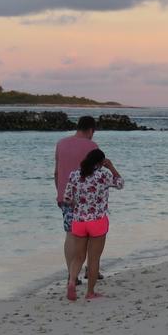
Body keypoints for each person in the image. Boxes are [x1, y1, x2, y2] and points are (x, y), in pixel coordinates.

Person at [55, 116, 119, 280]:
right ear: (91, 130)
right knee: (93, 236)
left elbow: (56, 172)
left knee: (70, 234)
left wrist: (60, 193)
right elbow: (96, 172)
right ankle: (92, 271)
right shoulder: (91, 146)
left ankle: (72, 275)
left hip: (66, 197)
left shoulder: (61, 144)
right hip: (88, 200)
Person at [62, 149, 120, 301]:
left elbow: (66, 198)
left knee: (78, 256)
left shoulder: (74, 175)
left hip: (79, 221)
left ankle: (72, 282)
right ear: (101, 162)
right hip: (97, 221)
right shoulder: (104, 175)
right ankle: (90, 293)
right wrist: (111, 167)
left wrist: (78, 204)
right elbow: (120, 184)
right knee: (94, 259)